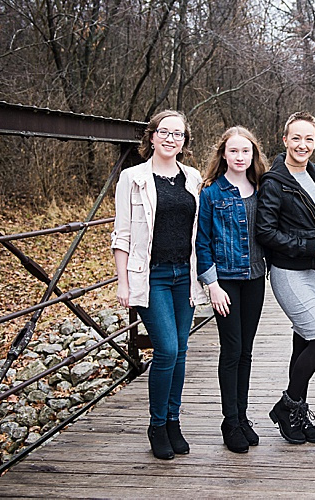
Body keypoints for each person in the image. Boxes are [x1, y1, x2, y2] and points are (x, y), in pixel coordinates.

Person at [111, 110, 205, 460]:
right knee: (166, 349)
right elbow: (121, 234)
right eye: (164, 132)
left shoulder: (192, 177)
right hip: (151, 277)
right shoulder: (132, 178)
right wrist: (123, 283)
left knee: (180, 352)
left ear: (184, 142)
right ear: (151, 136)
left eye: (178, 134)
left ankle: (173, 422)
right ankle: (156, 424)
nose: (170, 139)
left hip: (185, 275)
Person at [256, 111, 315, 445]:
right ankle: (287, 407)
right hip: (289, 272)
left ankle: (297, 413)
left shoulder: (314, 173)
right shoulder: (275, 181)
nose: (303, 145)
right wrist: (308, 246)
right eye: (296, 138)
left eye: (309, 139)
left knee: (304, 340)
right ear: (284, 139)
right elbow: (265, 231)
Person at [196, 126, 268, 454]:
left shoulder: (260, 187)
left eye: (246, 152)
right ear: (223, 154)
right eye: (234, 151)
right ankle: (229, 421)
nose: (240, 157)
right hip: (224, 281)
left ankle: (242, 416)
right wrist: (211, 285)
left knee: (247, 351)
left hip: (254, 279)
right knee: (232, 349)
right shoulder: (211, 192)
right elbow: (203, 242)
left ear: (253, 155)